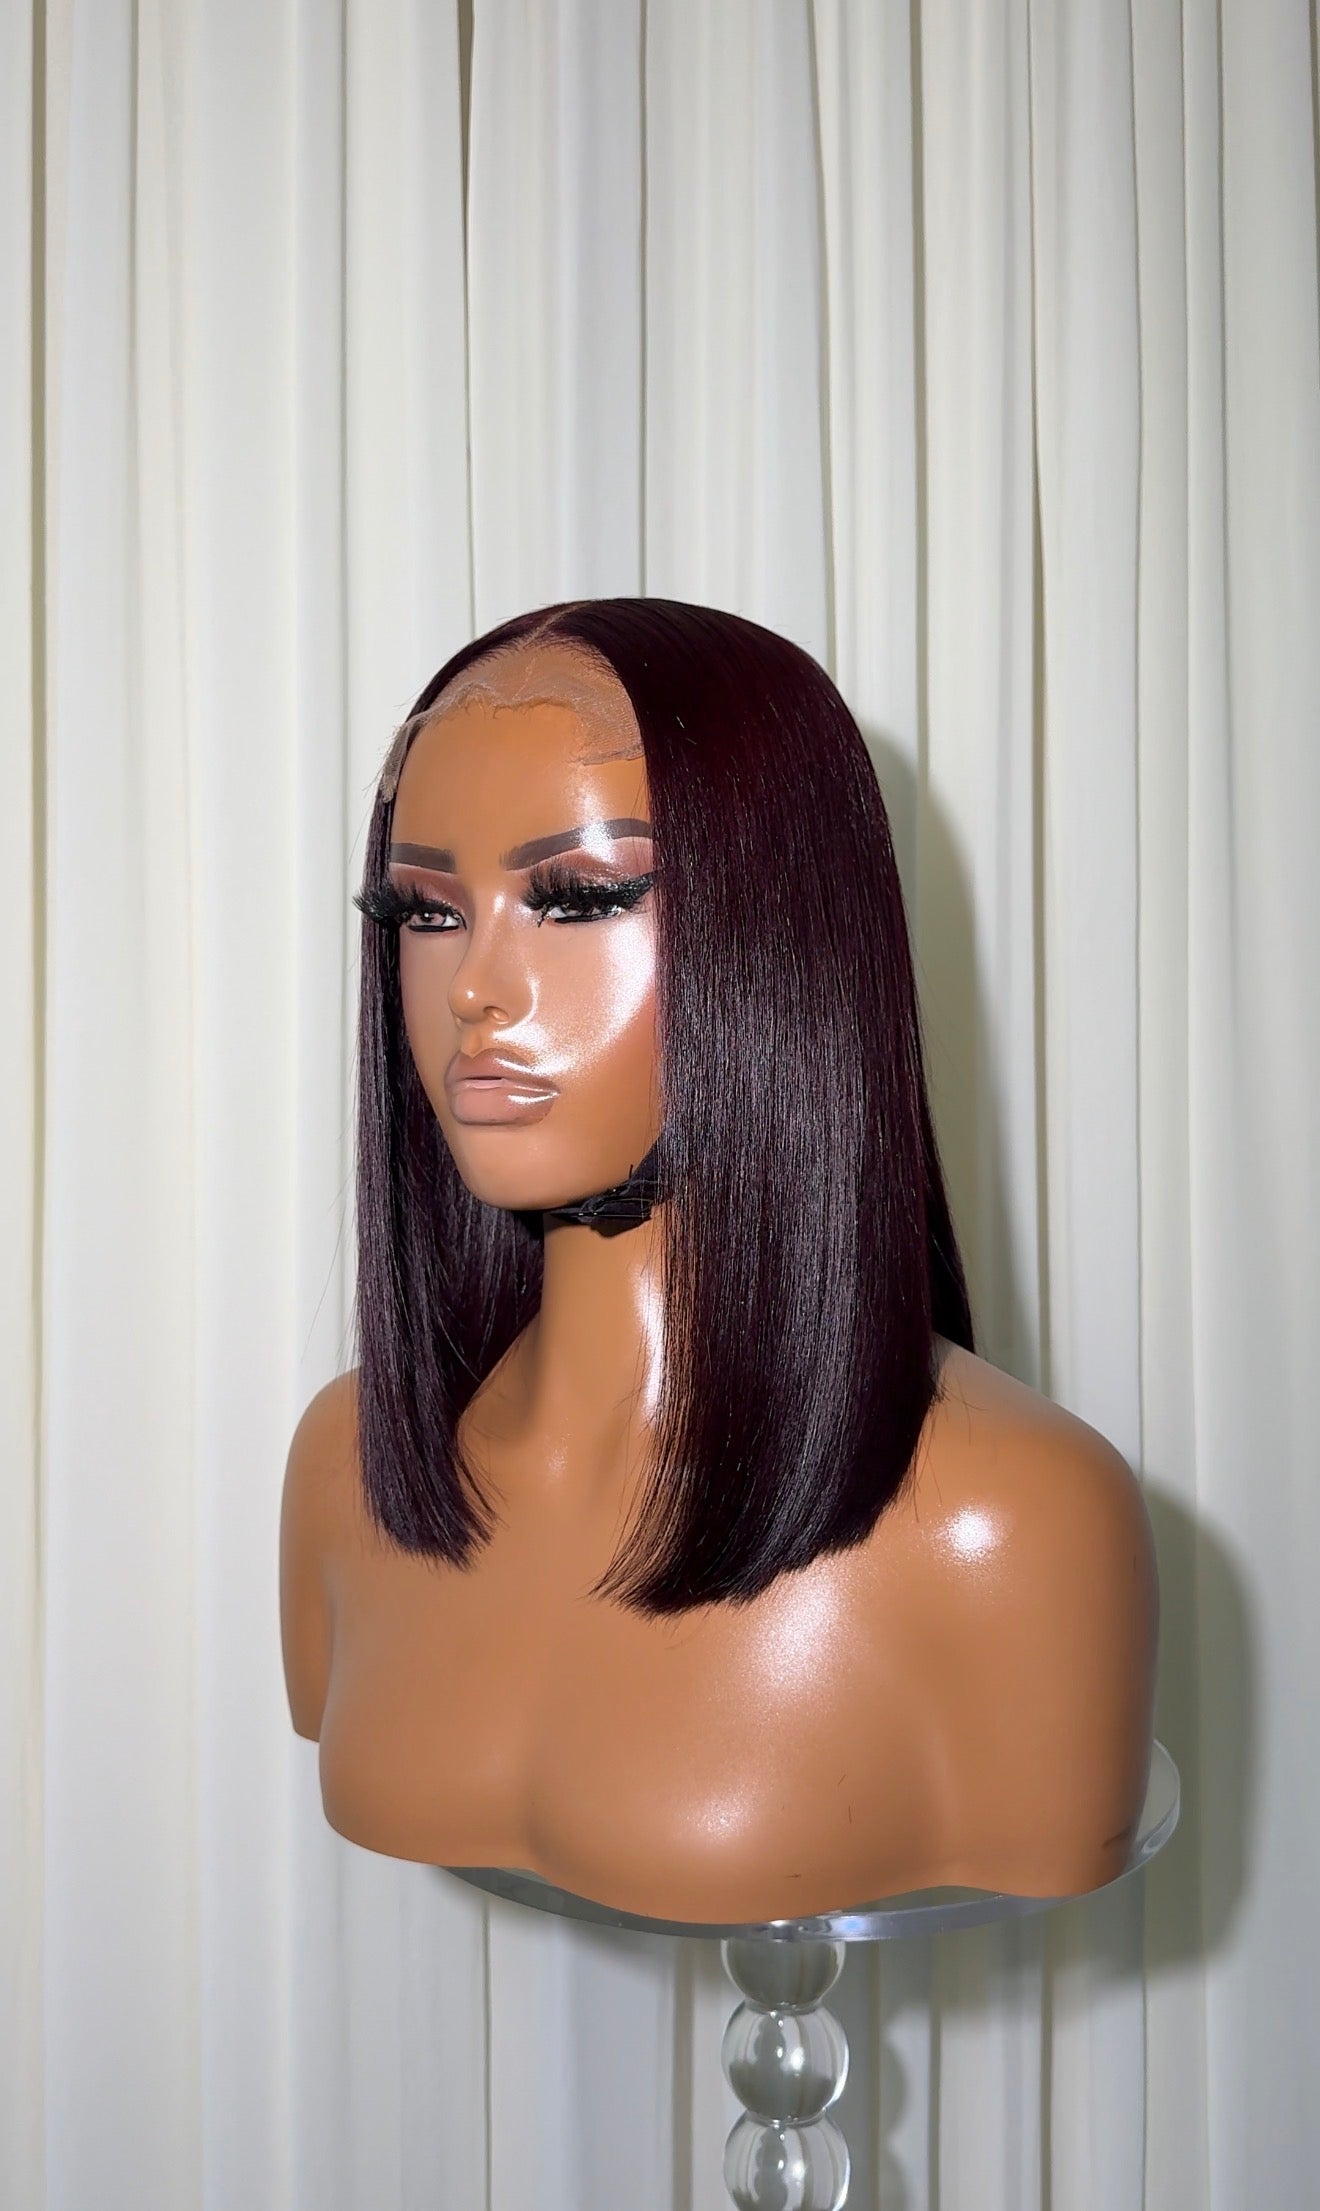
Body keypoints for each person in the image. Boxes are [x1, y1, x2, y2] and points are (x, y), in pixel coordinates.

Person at [279, 597, 1159, 1924]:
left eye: (577, 899)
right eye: (424, 911)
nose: (474, 988)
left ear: (782, 936)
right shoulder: (348, 1471)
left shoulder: (1016, 1526)